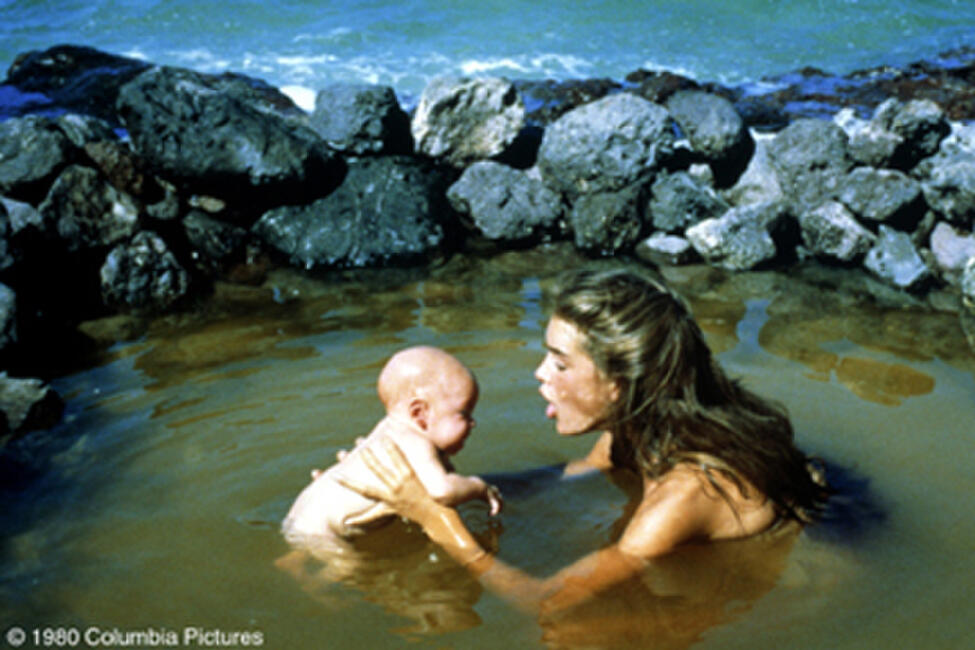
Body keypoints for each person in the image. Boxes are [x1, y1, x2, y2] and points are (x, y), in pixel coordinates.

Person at [337, 267, 830, 617]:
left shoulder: (682, 497)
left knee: (565, 639)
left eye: (560, 363)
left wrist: (436, 520)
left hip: (827, 555)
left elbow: (548, 602)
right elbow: (578, 474)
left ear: (621, 383)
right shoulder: (639, 428)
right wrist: (420, 481)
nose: (539, 373)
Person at [282, 345, 502, 546]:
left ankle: (293, 562)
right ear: (419, 413)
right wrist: (479, 487)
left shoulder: (388, 431)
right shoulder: (415, 443)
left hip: (304, 514)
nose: (474, 423)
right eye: (464, 413)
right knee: (356, 573)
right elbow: (442, 490)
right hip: (322, 531)